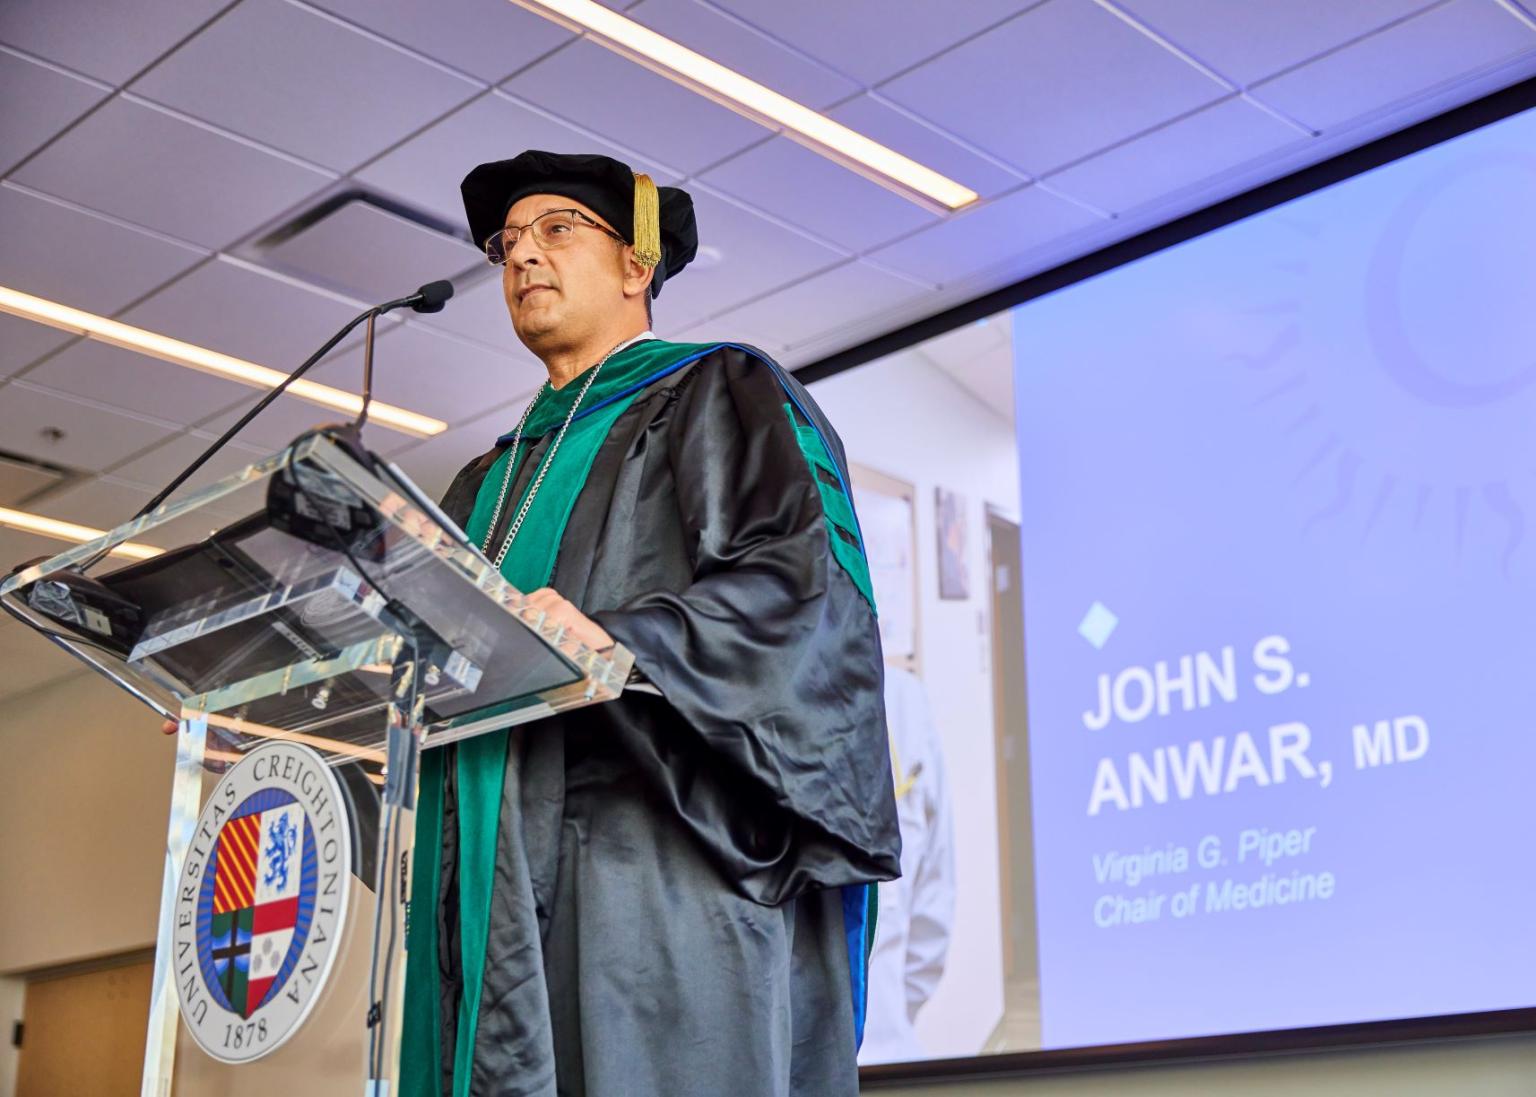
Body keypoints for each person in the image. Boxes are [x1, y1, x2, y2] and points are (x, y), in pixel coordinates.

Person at [395, 150, 901, 1097]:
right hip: (493, 882)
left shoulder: (723, 392)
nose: (521, 258)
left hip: (654, 866)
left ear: (637, 265)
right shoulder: (483, 483)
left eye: (556, 231)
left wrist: (615, 638)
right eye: (507, 244)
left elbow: (802, 590)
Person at [857, 666, 955, 1065]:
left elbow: (932, 915)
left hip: (884, 1058)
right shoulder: (900, 697)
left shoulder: (902, 701)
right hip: (882, 1057)